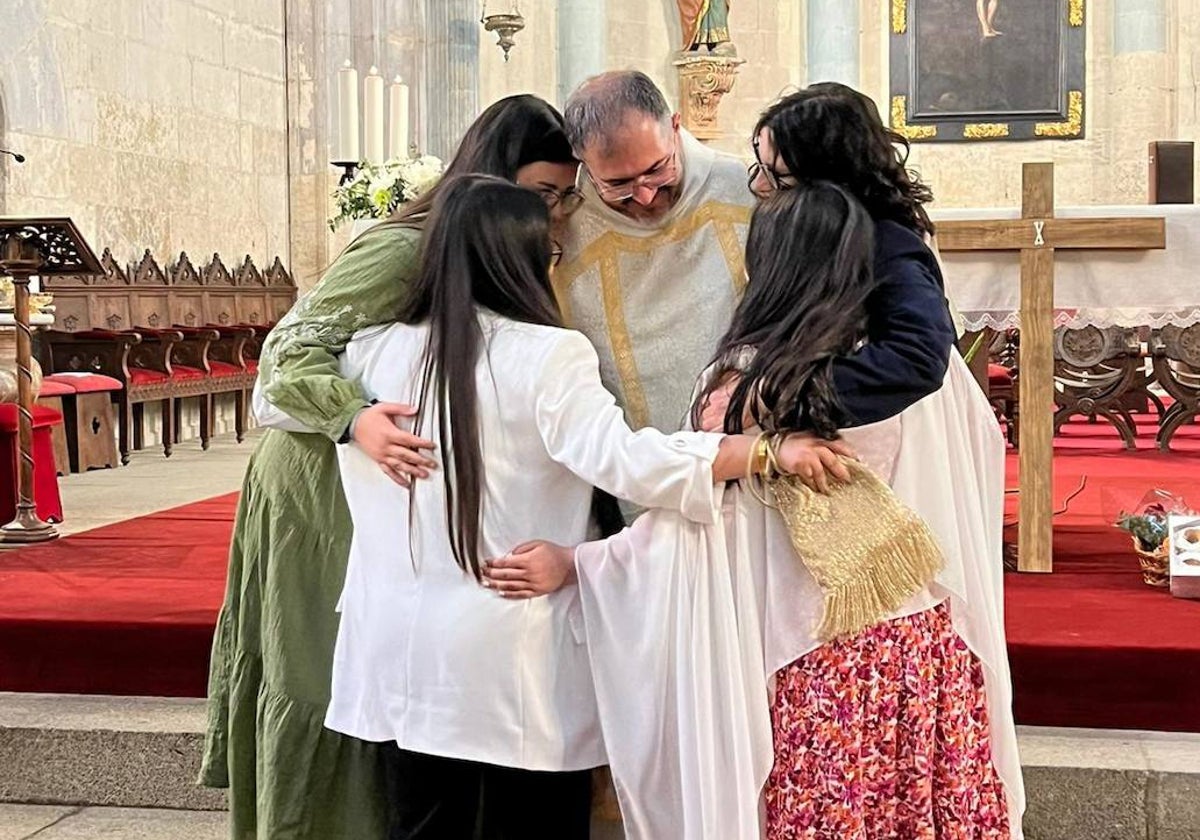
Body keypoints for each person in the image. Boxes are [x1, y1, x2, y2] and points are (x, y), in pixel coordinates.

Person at [487, 181, 1024, 840]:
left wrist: (581, 563)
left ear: (764, 264)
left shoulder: (746, 386)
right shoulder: (917, 365)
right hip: (923, 651)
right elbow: (980, 456)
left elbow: (697, 526)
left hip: (816, 665)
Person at [324, 174, 854, 839]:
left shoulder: (365, 352)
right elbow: (626, 462)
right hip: (507, 647)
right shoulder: (545, 354)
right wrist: (761, 453)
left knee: (421, 826)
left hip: (393, 645)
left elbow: (279, 399)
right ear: (523, 260)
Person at [199, 95, 584, 840]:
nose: (556, 214)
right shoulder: (407, 246)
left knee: (376, 692)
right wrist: (352, 417)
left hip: (384, 471)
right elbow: (281, 358)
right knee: (323, 680)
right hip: (323, 472)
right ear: (495, 174)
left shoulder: (478, 245)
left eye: (565, 197)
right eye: (543, 193)